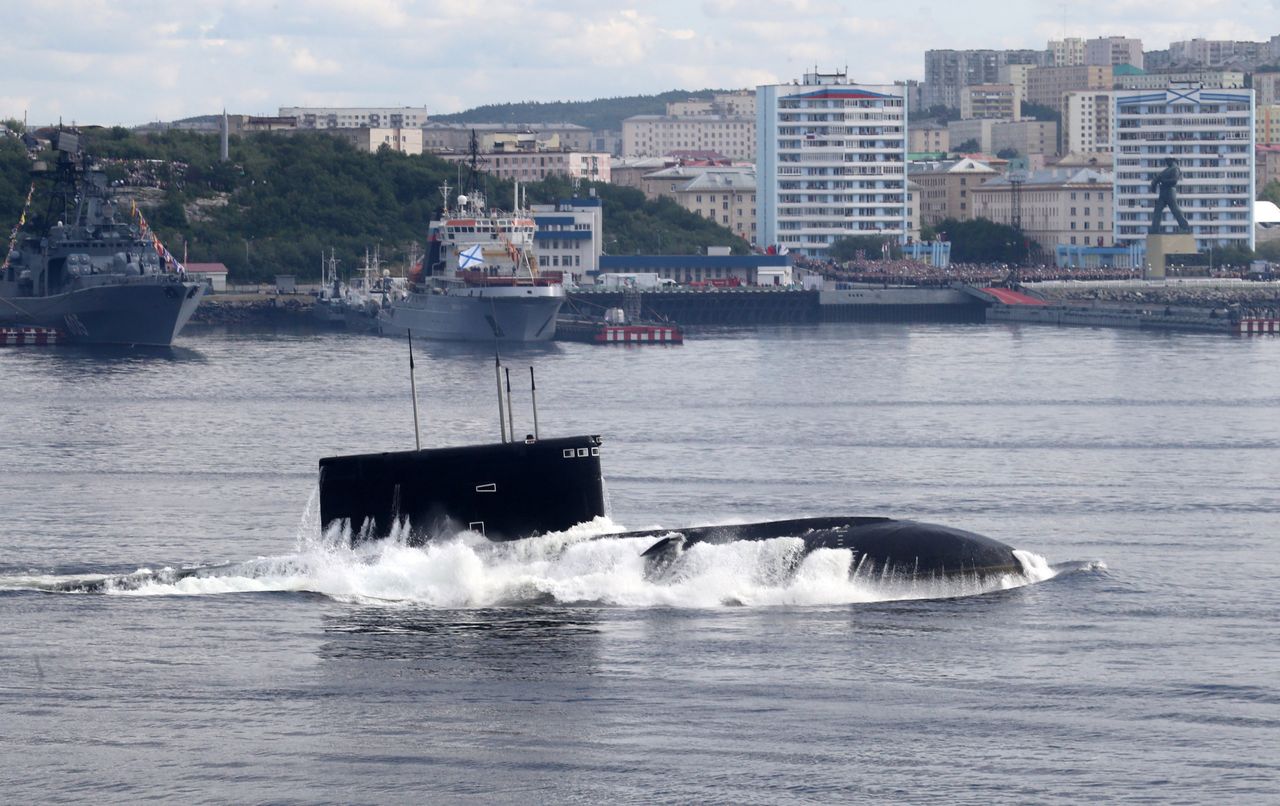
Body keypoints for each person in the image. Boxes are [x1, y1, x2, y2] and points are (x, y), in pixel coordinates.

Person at [1149, 157, 1190, 234]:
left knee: (1175, 210)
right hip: (1163, 193)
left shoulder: (1175, 169)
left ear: (1172, 160)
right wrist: (1153, 185)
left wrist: (1163, 181)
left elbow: (1174, 181)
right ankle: (1155, 229)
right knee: (1157, 210)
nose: (1167, 162)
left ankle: (1185, 227)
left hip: (1170, 192)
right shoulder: (1166, 170)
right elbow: (1157, 178)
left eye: (1168, 160)